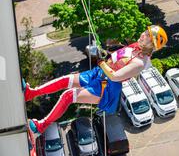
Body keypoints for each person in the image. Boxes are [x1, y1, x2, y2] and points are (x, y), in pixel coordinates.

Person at [26, 25, 168, 135]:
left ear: (151, 44)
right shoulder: (135, 47)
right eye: (145, 32)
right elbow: (115, 58)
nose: (143, 34)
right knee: (65, 80)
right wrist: (104, 54)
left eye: (147, 36)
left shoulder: (139, 63)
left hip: (106, 87)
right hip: (99, 73)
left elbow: (115, 76)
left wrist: (100, 61)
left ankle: (41, 126)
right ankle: (32, 93)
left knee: (68, 96)